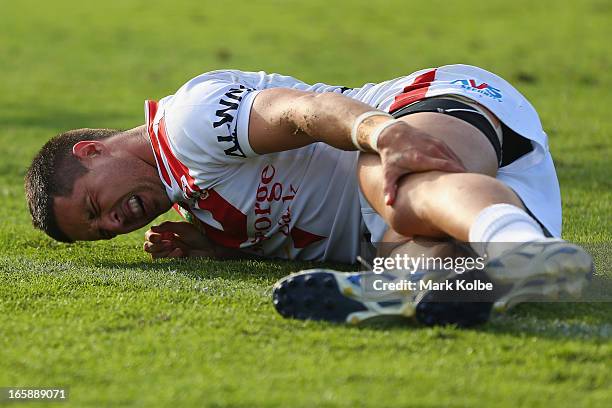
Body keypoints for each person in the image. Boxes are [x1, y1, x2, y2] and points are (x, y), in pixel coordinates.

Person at [25, 64, 593, 326]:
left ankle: (511, 244)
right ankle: (496, 262)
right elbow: (301, 207)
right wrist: (227, 247)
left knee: (387, 184)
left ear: (90, 153)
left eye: (95, 207)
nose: (111, 224)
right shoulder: (194, 198)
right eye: (99, 231)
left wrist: (385, 134)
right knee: (432, 273)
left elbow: (303, 112)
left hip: (441, 107)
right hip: (462, 202)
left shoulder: (185, 123)